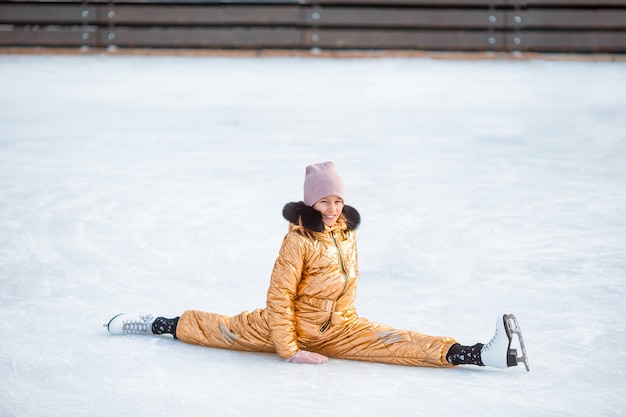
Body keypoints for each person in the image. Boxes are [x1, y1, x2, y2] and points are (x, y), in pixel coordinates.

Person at [106, 161, 528, 370]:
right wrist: (290, 350)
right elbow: (278, 296)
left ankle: (474, 355)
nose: (332, 207)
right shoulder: (297, 240)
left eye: (338, 200)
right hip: (288, 324)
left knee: (395, 340)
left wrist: (340, 321)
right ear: (310, 202)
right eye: (325, 201)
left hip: (340, 326)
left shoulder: (345, 231)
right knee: (221, 330)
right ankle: (158, 323)